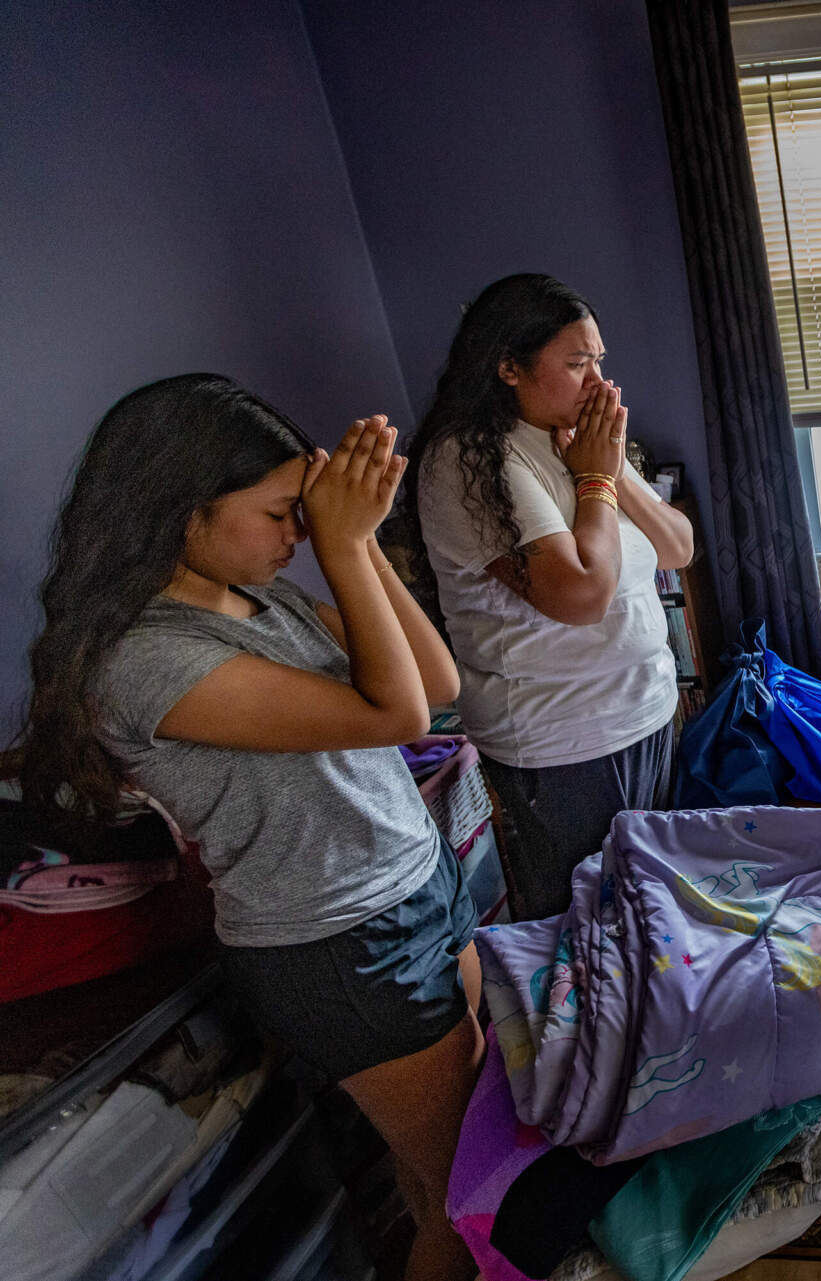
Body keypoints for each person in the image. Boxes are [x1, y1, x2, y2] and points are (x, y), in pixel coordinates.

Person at [19, 377, 478, 1281]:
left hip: (415, 881)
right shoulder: (141, 658)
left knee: (449, 1174)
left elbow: (435, 684)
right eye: (279, 513)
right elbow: (395, 716)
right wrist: (340, 546)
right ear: (183, 511)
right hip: (341, 944)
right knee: (468, 1203)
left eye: (304, 513)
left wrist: (361, 542)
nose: (298, 534)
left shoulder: (266, 605)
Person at [406, 274, 695, 921]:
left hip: (646, 711)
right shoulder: (471, 460)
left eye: (599, 361)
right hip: (565, 742)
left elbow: (678, 547)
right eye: (576, 363)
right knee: (587, 925)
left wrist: (612, 470)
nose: (599, 382)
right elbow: (581, 595)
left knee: (650, 912)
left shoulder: (580, 439)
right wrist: (595, 479)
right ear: (508, 366)